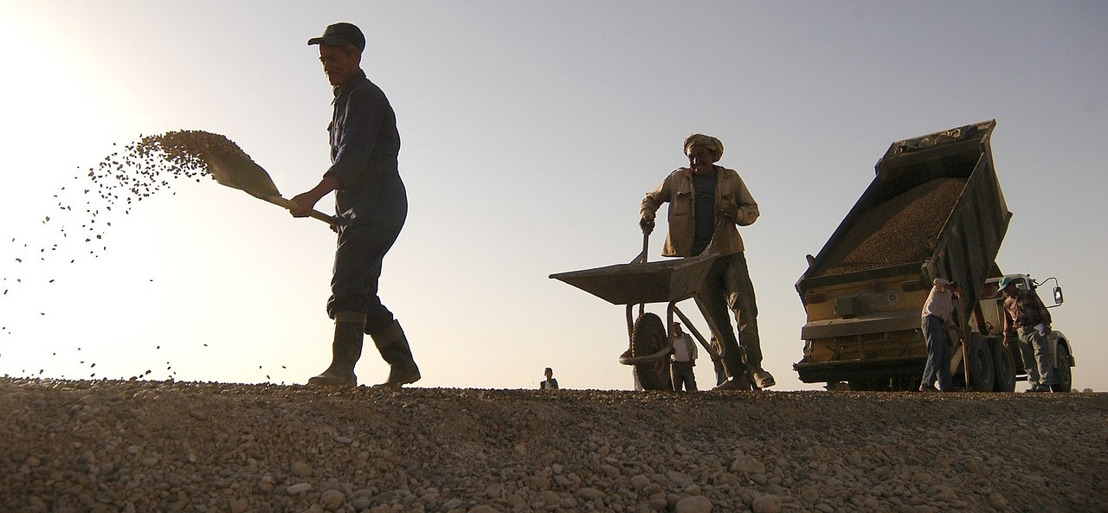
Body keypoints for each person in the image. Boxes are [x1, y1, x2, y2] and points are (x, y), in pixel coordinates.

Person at [292, 22, 419, 388]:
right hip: (361, 209)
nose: (327, 65)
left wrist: (312, 196)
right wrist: (340, 214)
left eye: (334, 57)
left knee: (347, 283)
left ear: (355, 55)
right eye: (322, 59)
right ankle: (403, 364)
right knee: (362, 292)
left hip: (378, 205)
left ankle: (342, 369)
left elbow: (352, 160)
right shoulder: (344, 99)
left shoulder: (365, 97)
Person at [640, 134, 773, 391]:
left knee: (745, 308)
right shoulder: (677, 179)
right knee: (716, 321)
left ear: (712, 156)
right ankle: (737, 377)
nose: (695, 161)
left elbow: (752, 209)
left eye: (700, 155)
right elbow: (650, 198)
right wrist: (647, 215)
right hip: (696, 262)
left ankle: (755, 368)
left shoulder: (730, 179)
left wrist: (738, 214)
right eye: (691, 156)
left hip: (728, 253)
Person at [1000, 276, 1054, 392]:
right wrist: (1006, 336)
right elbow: (1007, 321)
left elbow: (1041, 309)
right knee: (1027, 359)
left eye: (1006, 288)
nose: (1005, 291)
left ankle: (1045, 383)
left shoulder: (1029, 294)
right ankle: (1034, 384)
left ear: (1013, 285)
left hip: (1036, 327)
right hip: (1021, 332)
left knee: (1041, 355)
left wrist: (1047, 324)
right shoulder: (1007, 303)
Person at [919, 278, 961, 392]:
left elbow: (948, 320)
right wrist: (949, 286)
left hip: (939, 323)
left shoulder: (949, 303)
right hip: (931, 320)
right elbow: (937, 281)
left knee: (944, 356)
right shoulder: (941, 289)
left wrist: (958, 330)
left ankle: (946, 387)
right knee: (935, 353)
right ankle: (926, 384)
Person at [670, 322, 698, 391]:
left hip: (687, 364)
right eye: (676, 329)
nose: (678, 330)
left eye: (679, 328)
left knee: (691, 386)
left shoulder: (687, 337)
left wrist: (693, 358)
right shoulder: (670, 340)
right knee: (677, 388)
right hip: (675, 365)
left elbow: (694, 348)